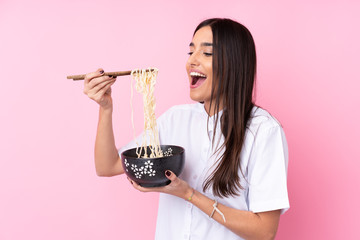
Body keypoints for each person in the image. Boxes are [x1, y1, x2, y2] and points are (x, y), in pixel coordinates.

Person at [83, 18, 289, 240]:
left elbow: (264, 232)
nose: (192, 61)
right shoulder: (176, 119)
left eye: (207, 54)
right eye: (190, 52)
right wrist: (105, 108)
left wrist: (188, 194)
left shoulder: (263, 131)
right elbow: (107, 165)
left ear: (234, 64)